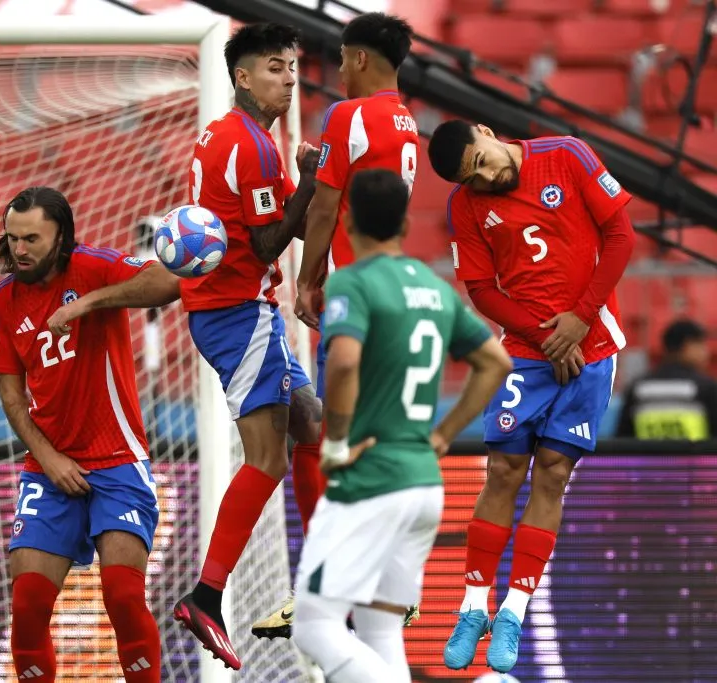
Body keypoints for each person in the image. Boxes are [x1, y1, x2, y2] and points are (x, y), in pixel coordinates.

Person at [426, 120, 636, 672]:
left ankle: (514, 612)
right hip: (527, 348)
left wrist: (579, 320)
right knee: (502, 470)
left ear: (486, 131)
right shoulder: (465, 206)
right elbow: (480, 289)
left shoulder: (568, 155)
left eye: (483, 161)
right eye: (472, 177)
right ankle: (473, 606)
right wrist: (547, 338)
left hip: (592, 346)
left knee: (552, 473)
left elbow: (621, 237)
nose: (486, 178)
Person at [290, 169, 512, 682]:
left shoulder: (353, 281)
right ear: (406, 224)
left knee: (314, 625)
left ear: (347, 223)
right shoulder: (434, 288)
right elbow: (495, 362)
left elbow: (343, 361)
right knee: (380, 629)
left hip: (371, 476)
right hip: (422, 483)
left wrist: (335, 442)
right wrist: (442, 435)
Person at [254, 10, 420, 641]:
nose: (339, 71)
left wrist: (307, 280)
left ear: (359, 58)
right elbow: (346, 199)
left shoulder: (348, 116)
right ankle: (390, 586)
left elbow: (325, 207)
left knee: (338, 444)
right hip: (392, 295)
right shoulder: (405, 121)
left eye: (342, 59)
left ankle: (324, 587)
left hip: (355, 301)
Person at [173, 22, 323, 670]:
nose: (288, 79)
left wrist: (310, 189)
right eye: (273, 68)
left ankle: (322, 578)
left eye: (291, 67)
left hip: (237, 310)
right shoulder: (253, 146)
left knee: (311, 424)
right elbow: (267, 243)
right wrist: (312, 180)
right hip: (239, 313)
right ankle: (207, 596)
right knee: (266, 458)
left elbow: (278, 221)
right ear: (241, 76)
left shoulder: (231, 135)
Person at [0, 186, 182, 683]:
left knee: (123, 595)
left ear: (61, 237)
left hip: (117, 460)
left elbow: (168, 282)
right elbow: (11, 396)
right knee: (27, 606)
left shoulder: (93, 266)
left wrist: (88, 304)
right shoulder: (4, 299)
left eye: (31, 239)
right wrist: (49, 458)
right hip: (48, 467)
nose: (19, 249)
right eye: (13, 238)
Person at [617, 319, 717, 440]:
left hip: (649, 453)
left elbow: (622, 441)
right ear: (687, 346)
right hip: (694, 453)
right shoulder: (706, 388)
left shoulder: (638, 387)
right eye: (701, 345)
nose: (706, 352)